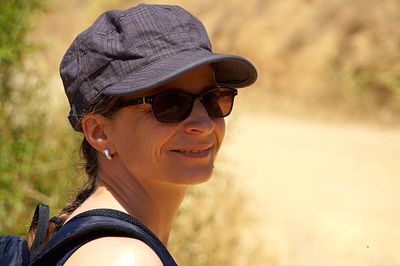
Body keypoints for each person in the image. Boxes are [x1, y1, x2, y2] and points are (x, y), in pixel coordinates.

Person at [28, 3, 257, 265]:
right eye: (170, 104)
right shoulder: (123, 258)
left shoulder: (108, 242)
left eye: (213, 99)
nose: (204, 124)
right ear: (99, 132)